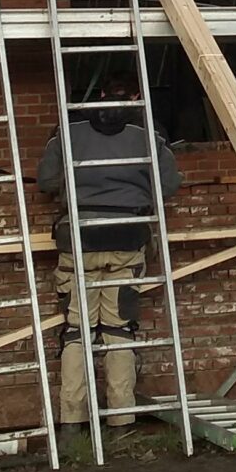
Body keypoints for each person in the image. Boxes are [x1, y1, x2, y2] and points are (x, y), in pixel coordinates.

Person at [36, 74, 179, 435]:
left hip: (79, 240)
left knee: (77, 331)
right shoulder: (150, 134)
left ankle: (72, 423)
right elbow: (168, 186)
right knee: (119, 330)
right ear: (136, 96)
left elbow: (46, 181)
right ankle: (122, 421)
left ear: (100, 94)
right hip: (127, 239)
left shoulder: (67, 130)